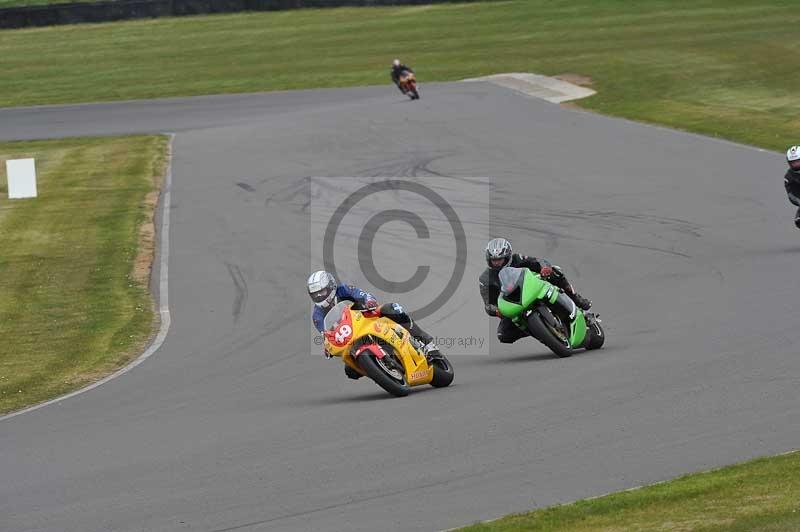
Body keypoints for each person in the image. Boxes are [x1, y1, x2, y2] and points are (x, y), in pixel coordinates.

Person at [307, 270, 442, 380]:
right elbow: (325, 334)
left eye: (322, 292)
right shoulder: (317, 316)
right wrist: (327, 346)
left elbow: (362, 295)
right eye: (315, 294)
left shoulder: (343, 290)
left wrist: (369, 301)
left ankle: (427, 343)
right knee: (350, 371)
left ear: (331, 286)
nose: (319, 296)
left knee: (392, 308)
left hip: (366, 318)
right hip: (351, 337)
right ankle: (381, 372)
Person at [478, 237, 592, 344]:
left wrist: (545, 268)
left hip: (533, 289)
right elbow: (488, 304)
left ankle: (576, 299)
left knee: (555, 271)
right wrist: (496, 311)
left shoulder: (518, 259)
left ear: (508, 257)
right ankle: (538, 331)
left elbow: (539, 261)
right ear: (489, 260)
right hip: (513, 305)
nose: (497, 262)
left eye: (500, 259)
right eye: (494, 260)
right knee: (503, 334)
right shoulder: (485, 279)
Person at [784, 146, 800, 229]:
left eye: (798, 161)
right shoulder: (789, 177)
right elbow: (791, 195)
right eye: (793, 162)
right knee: (798, 221)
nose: (796, 164)